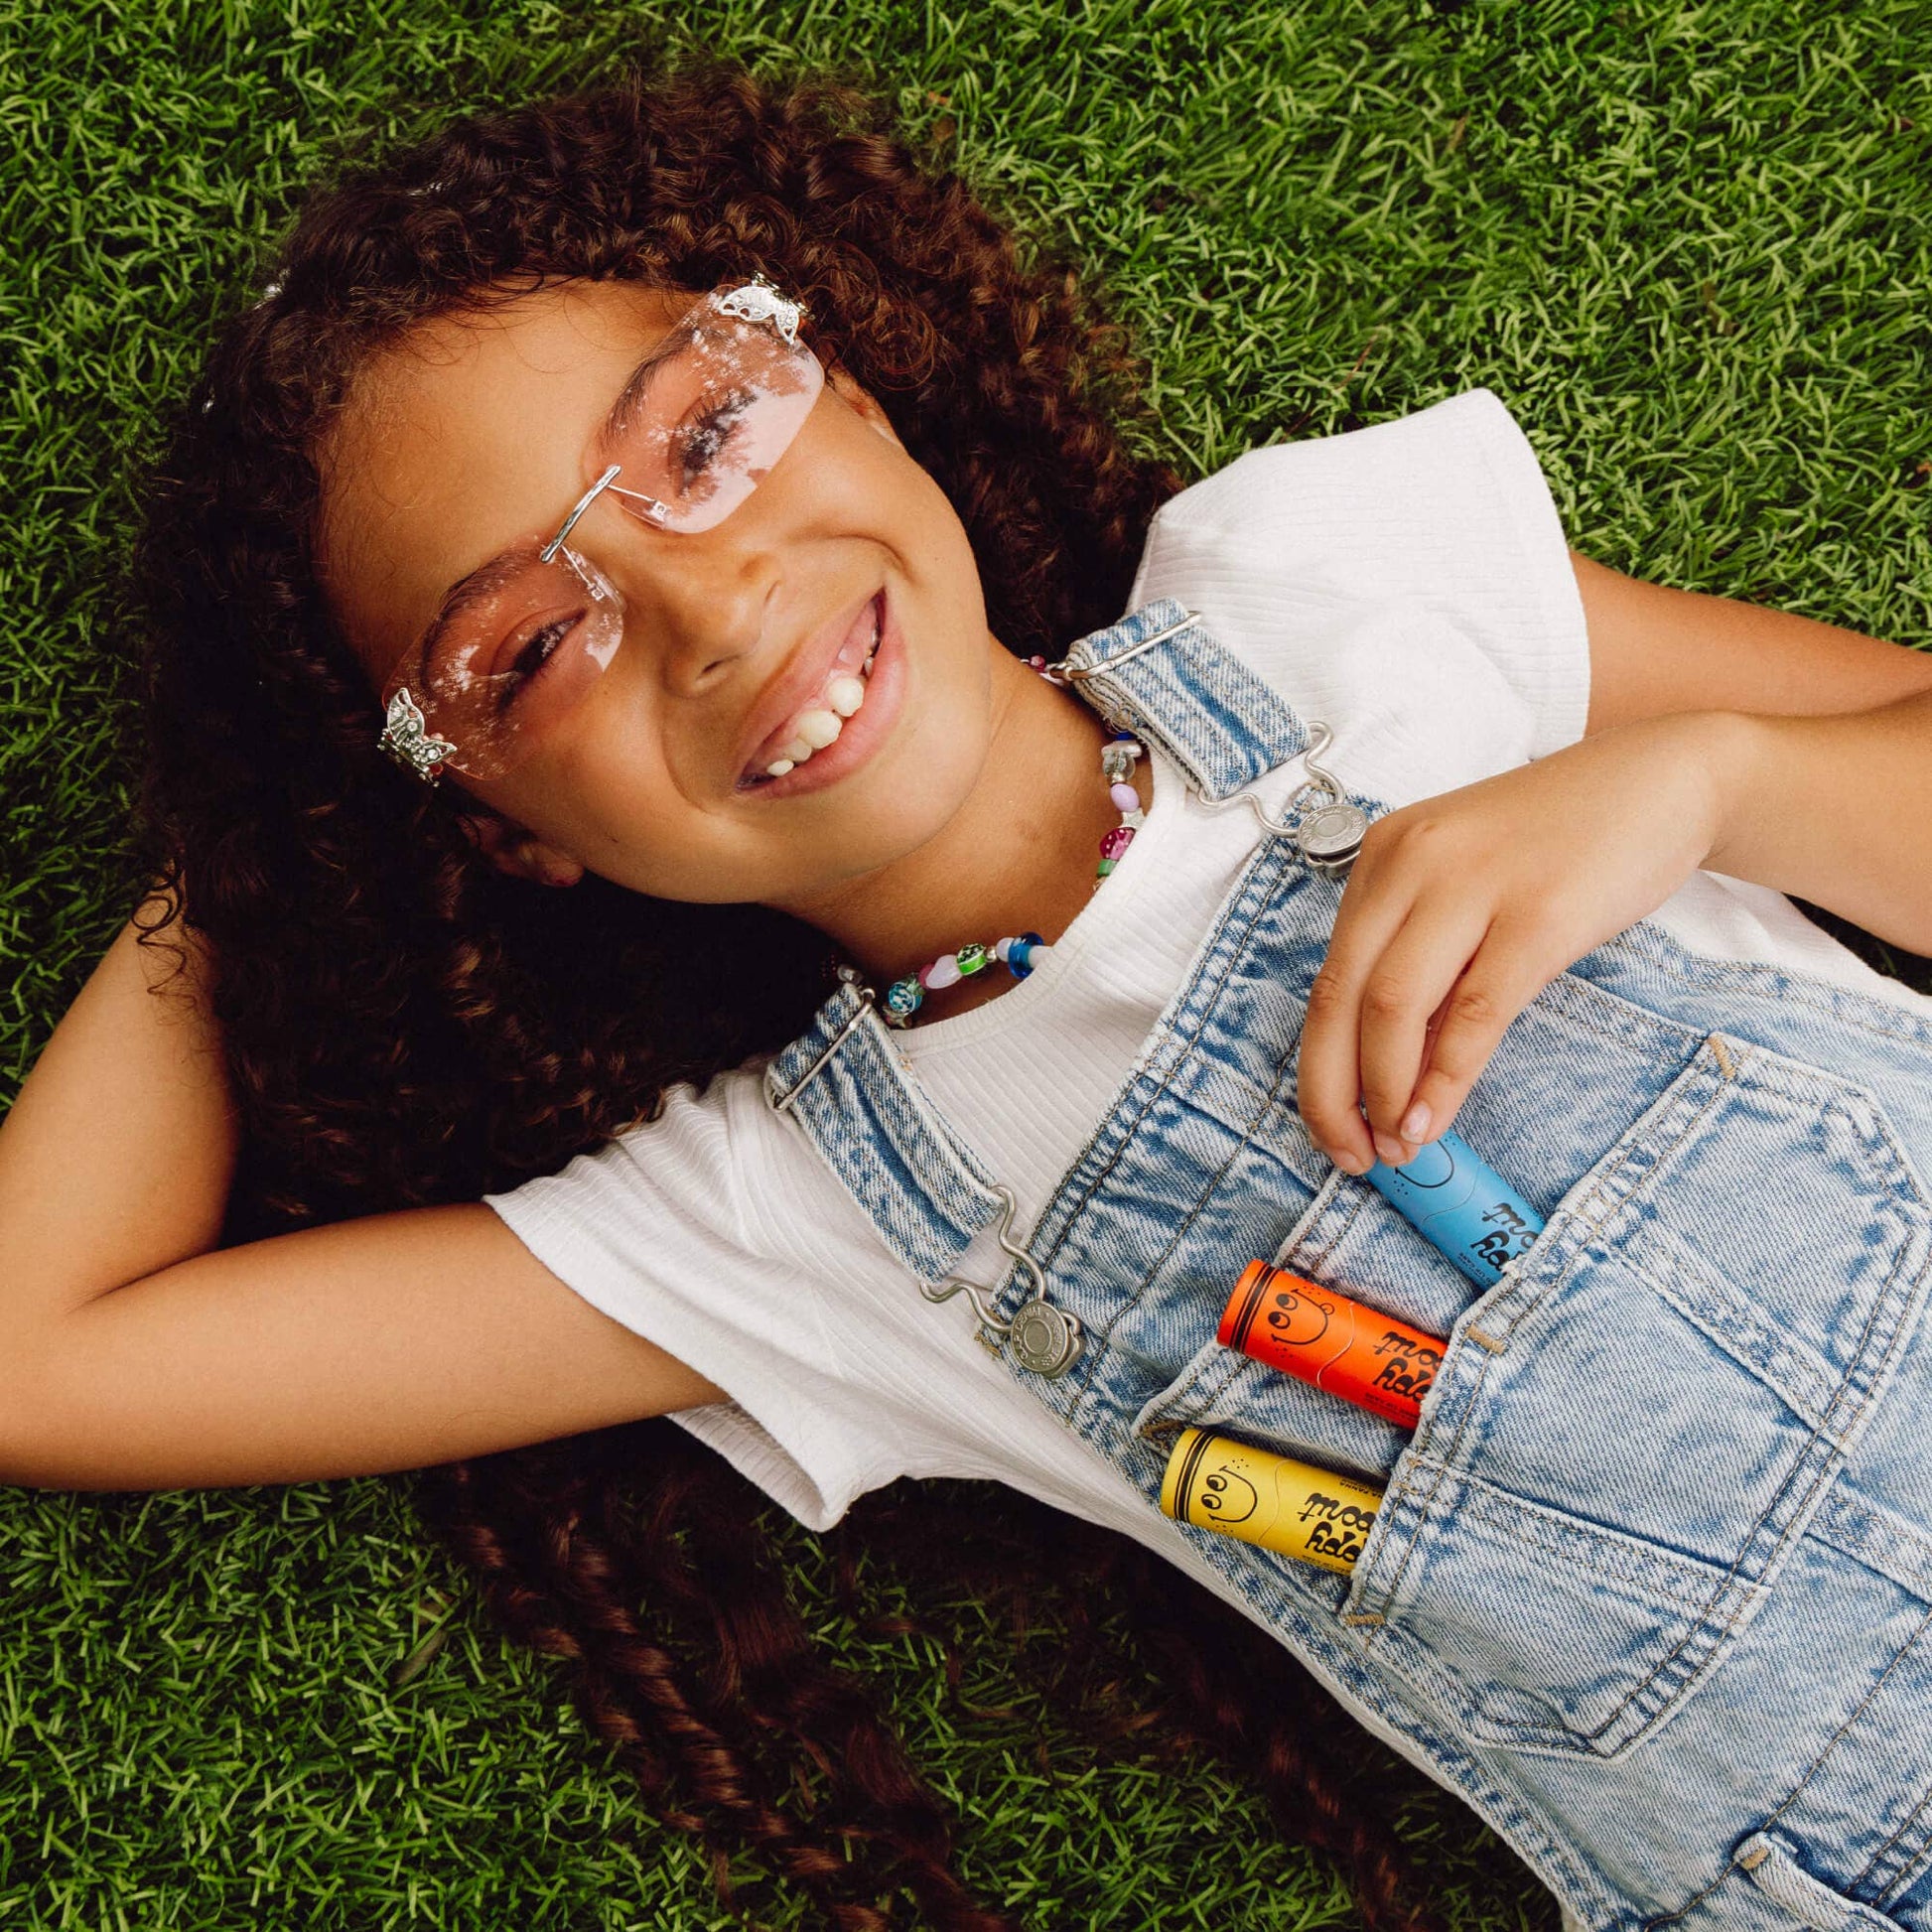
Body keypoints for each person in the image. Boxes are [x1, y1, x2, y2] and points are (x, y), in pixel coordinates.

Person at [5, 55, 1932, 1932]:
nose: (710, 608)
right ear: (506, 828)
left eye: (698, 438)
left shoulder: (1328, 582)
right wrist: (287, 812)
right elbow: (37, 1357)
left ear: (843, 375)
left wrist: (1716, 781)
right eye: (524, 652)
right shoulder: (795, 1218)